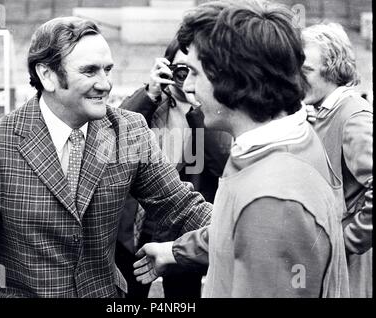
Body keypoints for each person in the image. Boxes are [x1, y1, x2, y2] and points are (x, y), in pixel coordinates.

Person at [0, 16, 212, 298]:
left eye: (108, 70)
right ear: (47, 75)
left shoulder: (130, 131)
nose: (105, 84)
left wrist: (241, 221)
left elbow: (182, 208)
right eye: (90, 71)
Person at [133, 0, 350, 298]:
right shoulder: (279, 143)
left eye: (195, 72)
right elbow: (238, 232)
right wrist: (176, 251)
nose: (189, 86)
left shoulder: (275, 200)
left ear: (233, 78)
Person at [116, 37, 231, 298]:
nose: (186, 77)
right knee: (128, 296)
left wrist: (197, 106)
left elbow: (222, 161)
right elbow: (116, 137)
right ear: (167, 67)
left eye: (195, 69)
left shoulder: (214, 110)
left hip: (186, 229)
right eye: (181, 68)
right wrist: (150, 93)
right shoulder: (150, 101)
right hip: (139, 225)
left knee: (183, 298)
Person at [302, 23, 373, 298]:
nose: (296, 79)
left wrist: (345, 241)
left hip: (351, 271)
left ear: (333, 69)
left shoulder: (353, 116)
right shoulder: (320, 111)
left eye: (305, 70)